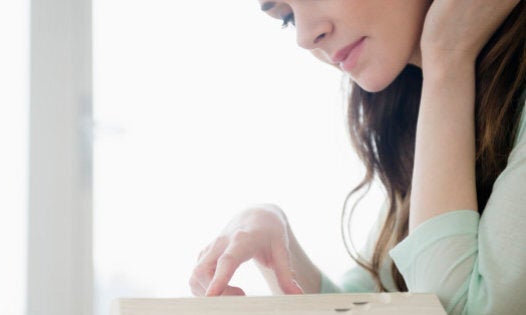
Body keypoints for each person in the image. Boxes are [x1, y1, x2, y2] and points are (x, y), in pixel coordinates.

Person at [189, 1, 525, 314]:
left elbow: (454, 309)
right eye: (288, 18)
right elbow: (363, 304)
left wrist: (447, 57)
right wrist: (273, 233)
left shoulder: (450, 81)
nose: (305, 37)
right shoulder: (424, 115)